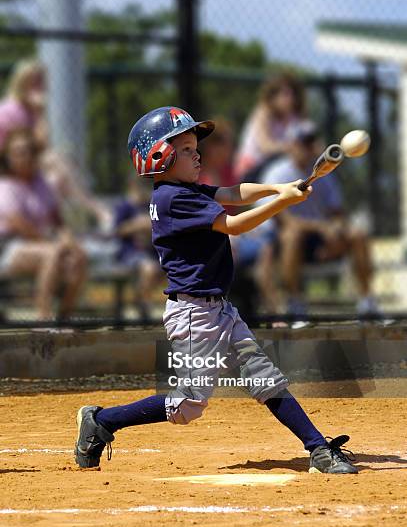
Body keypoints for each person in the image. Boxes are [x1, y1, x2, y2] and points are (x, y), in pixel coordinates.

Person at [74, 106, 358, 475]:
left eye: (196, 148)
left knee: (265, 379)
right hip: (194, 317)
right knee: (188, 405)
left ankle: (318, 449)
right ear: (161, 155)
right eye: (188, 149)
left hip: (218, 309)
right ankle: (103, 421)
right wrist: (282, 202)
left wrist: (277, 187)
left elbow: (232, 192)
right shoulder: (171, 198)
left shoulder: (185, 190)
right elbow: (234, 225)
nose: (198, 155)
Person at [253, 120, 377, 316]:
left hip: (322, 239)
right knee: (292, 235)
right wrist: (322, 228)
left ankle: (367, 301)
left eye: (311, 141)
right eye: (303, 142)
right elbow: (283, 220)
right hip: (286, 244)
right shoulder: (277, 172)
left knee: (357, 234)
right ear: (291, 145)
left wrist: (335, 230)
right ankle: (294, 303)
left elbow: (337, 213)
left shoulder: (325, 173)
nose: (307, 147)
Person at [0, 59, 110, 230]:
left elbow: (41, 145)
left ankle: (68, 227)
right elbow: (32, 147)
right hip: (9, 167)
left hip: (30, 166)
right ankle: (96, 210)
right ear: (21, 83)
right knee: (55, 160)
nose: (39, 87)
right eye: (33, 81)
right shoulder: (11, 109)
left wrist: (39, 112)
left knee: (56, 178)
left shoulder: (31, 110)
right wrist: (39, 111)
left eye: (41, 81)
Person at [0, 128, 87, 320]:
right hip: (8, 247)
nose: (27, 156)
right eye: (20, 152)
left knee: (78, 257)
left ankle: (64, 318)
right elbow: (19, 225)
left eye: (30, 151)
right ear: (8, 157)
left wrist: (69, 242)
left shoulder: (42, 184)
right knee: (53, 253)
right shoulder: (5, 185)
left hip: (43, 243)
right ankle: (43, 320)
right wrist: (55, 243)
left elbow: (57, 220)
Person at [234, 72, 306, 181]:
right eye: (285, 94)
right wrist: (290, 147)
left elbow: (312, 143)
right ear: (273, 96)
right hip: (252, 169)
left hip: (277, 168)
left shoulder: (295, 118)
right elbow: (265, 146)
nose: (290, 99)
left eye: (293, 94)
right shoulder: (263, 113)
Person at [113, 175, 163, 319]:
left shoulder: (151, 205)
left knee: (170, 267)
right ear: (132, 185)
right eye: (140, 183)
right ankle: (143, 306)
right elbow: (117, 230)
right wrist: (137, 225)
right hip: (130, 253)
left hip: (152, 252)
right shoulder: (125, 206)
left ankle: (139, 300)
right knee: (149, 268)